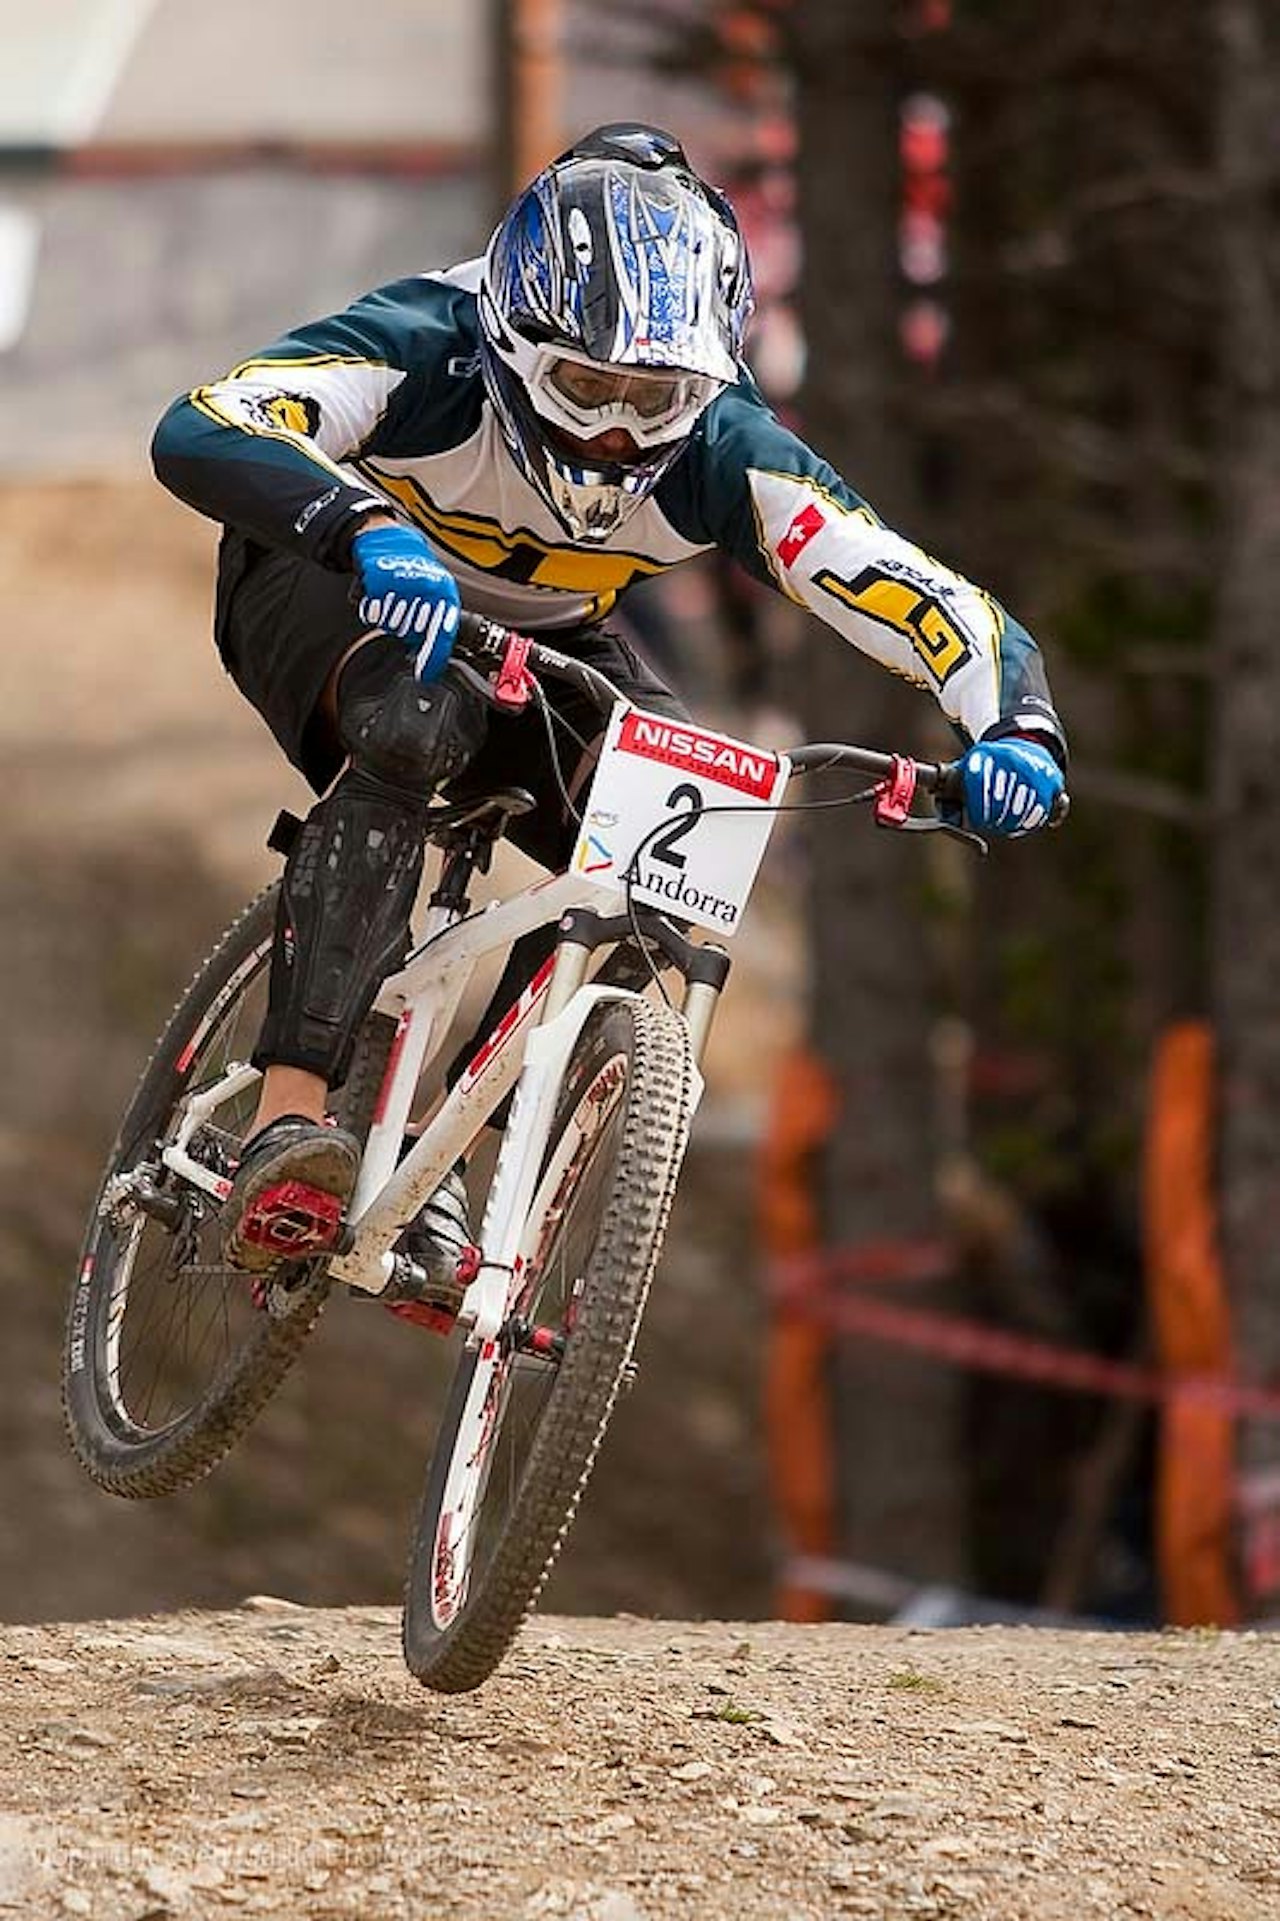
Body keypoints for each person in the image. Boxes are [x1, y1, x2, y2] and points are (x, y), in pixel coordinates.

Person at [151, 122, 1067, 1285]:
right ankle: (286, 1123)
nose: (620, 429)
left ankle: (447, 1170)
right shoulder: (429, 346)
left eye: (658, 396)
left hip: (551, 638)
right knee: (417, 722)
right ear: (517, 338)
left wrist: (1014, 727)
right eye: (588, 386)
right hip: (329, 577)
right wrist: (360, 525)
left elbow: (912, 592)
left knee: (682, 841)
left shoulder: (726, 450)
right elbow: (206, 422)